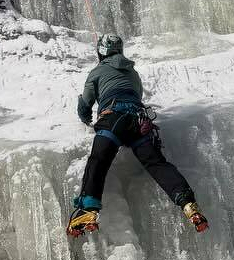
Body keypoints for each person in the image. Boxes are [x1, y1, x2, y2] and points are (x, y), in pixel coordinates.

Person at [68, 34, 208, 238]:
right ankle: (188, 203)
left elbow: (85, 104)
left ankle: (88, 209)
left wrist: (86, 119)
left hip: (113, 119)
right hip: (139, 121)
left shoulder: (97, 71)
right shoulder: (132, 73)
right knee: (157, 164)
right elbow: (137, 95)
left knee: (98, 160)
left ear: (100, 52)